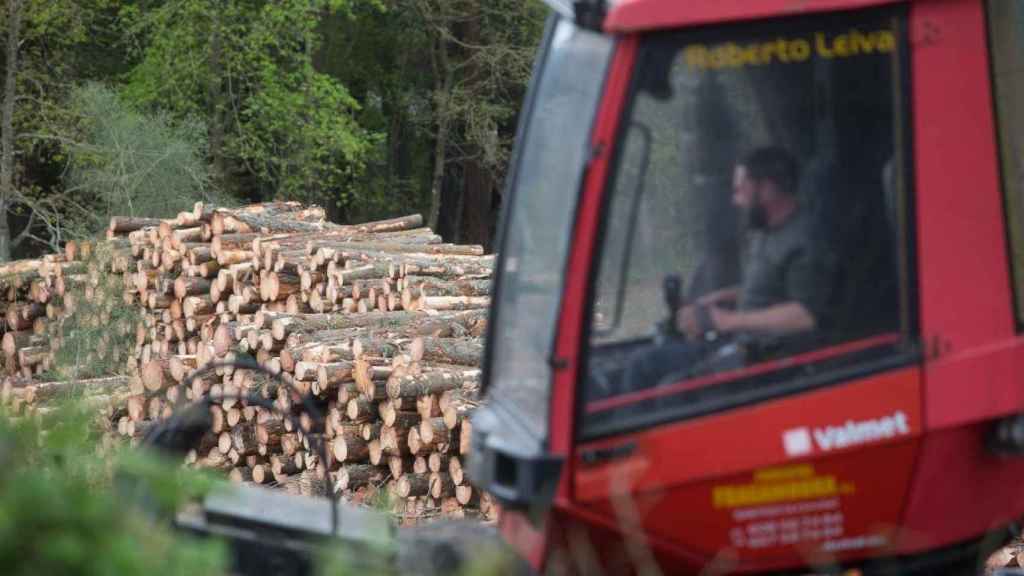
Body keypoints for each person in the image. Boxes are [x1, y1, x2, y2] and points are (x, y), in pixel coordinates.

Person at [626, 146, 833, 389]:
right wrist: (720, 298)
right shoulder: (767, 230)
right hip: (741, 343)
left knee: (672, 390)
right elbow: (771, 289)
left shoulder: (804, 239)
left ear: (766, 189)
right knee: (642, 362)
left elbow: (805, 316)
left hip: (769, 359)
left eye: (739, 190)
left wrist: (725, 320)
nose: (735, 201)